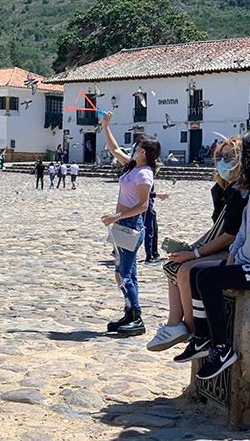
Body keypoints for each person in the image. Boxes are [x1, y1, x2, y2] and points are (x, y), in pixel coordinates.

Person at [176, 130, 250, 379]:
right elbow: (243, 230)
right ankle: (201, 337)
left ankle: (221, 348)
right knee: (198, 271)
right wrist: (232, 259)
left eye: (244, 154)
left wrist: (236, 266)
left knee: (208, 278)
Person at [147, 135, 248, 352]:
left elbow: (230, 235)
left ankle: (194, 331)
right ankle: (175, 324)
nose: (223, 160)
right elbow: (216, 229)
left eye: (229, 156)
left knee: (186, 271)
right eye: (220, 156)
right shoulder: (221, 190)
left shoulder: (241, 191)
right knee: (171, 265)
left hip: (236, 251)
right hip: (222, 245)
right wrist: (193, 246)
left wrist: (195, 255)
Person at [100, 111, 161, 336]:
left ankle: (136, 316)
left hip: (130, 224)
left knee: (124, 273)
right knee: (124, 270)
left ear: (143, 152)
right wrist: (106, 126)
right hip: (122, 226)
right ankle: (129, 312)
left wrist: (117, 217)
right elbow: (115, 149)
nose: (133, 148)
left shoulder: (144, 174)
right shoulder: (132, 166)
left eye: (137, 147)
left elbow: (144, 205)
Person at [143, 185, 169, 263]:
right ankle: (150, 256)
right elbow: (143, 192)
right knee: (149, 231)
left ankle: (154, 254)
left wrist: (157, 193)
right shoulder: (145, 174)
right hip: (145, 206)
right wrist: (159, 195)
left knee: (153, 229)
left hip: (147, 205)